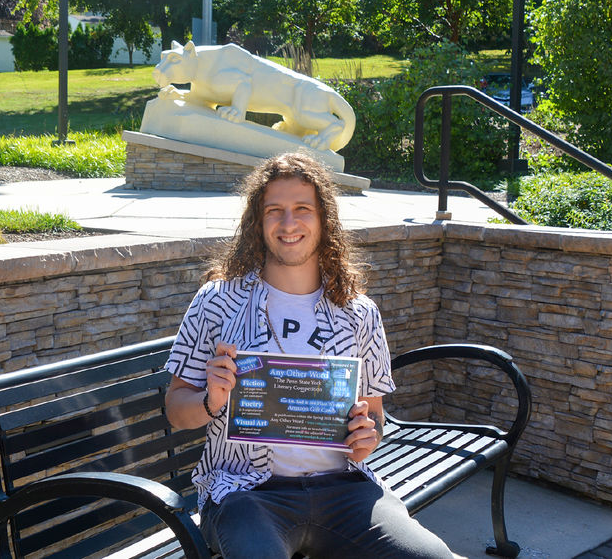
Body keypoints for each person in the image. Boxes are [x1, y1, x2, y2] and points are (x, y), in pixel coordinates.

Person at [164, 152, 454, 559]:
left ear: (324, 220)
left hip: (345, 492)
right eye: (274, 211)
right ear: (257, 222)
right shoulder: (218, 302)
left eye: (302, 209)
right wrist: (212, 399)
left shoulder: (358, 312)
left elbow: (374, 417)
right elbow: (177, 411)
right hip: (246, 495)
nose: (288, 223)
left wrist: (366, 437)